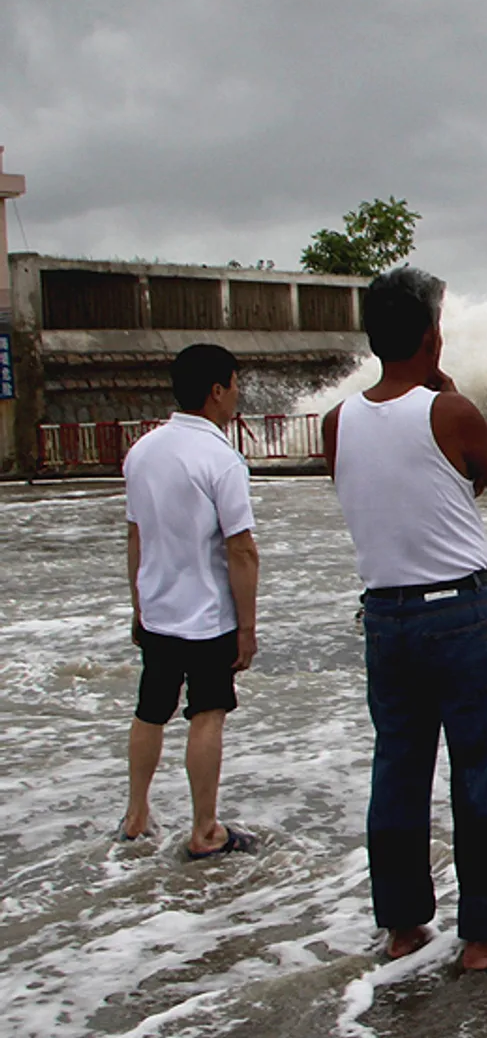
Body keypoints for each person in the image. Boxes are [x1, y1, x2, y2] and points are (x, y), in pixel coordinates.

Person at [322, 266, 487, 972]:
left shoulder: (337, 421)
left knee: (398, 769)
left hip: (385, 616)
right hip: (459, 614)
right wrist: (453, 395)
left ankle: (404, 926)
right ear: (432, 336)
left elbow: (391, 487)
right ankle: (486, 935)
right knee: (478, 772)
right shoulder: (451, 412)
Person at [121, 343, 260, 860]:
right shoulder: (221, 459)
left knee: (150, 711)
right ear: (216, 391)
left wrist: (139, 604)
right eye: (234, 384)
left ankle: (136, 815)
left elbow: (135, 536)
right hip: (205, 616)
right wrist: (246, 627)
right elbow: (241, 548)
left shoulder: (143, 451)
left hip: (157, 609)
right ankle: (205, 829)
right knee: (208, 713)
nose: (238, 394)